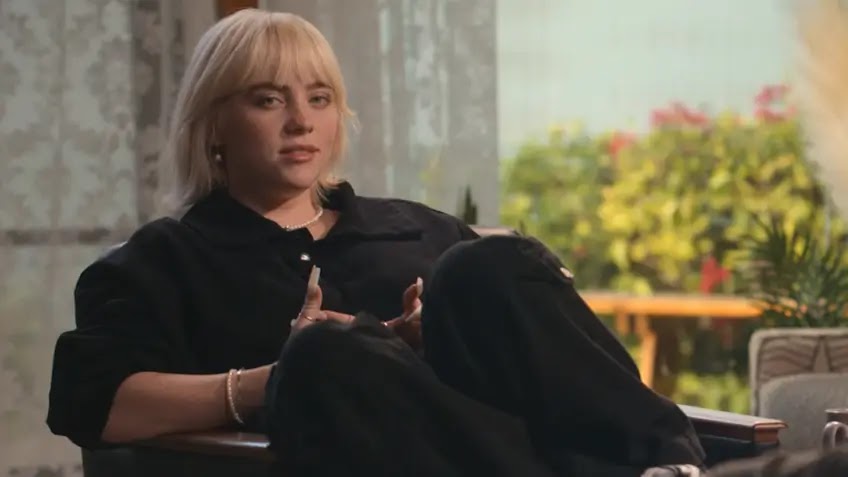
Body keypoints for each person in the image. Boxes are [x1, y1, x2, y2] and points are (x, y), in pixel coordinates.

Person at [46, 8, 705, 477]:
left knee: (489, 262)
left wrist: (434, 336)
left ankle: (671, 460)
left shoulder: (421, 229)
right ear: (214, 125)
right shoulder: (165, 261)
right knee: (325, 356)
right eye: (268, 100)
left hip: (526, 444)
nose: (301, 121)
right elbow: (97, 404)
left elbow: (551, 355)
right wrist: (272, 381)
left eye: (319, 98)